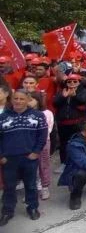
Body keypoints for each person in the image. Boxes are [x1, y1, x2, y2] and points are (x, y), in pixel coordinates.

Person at [0, 90, 48, 225]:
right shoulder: (2, 117)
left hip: (29, 158)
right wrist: (1, 156)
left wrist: (36, 152)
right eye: (16, 98)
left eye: (22, 99)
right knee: (9, 186)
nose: (18, 101)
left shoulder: (38, 115)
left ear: (28, 100)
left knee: (31, 185)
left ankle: (32, 207)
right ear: (11, 100)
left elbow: (42, 136)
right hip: (9, 159)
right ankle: (7, 211)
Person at [54, 74, 86, 173]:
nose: (72, 83)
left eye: (75, 81)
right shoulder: (62, 91)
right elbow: (55, 103)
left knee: (80, 143)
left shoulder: (84, 91)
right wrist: (63, 97)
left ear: (79, 82)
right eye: (69, 81)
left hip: (78, 122)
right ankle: (64, 163)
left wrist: (74, 96)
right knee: (64, 144)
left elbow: (83, 101)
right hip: (63, 122)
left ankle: (82, 163)